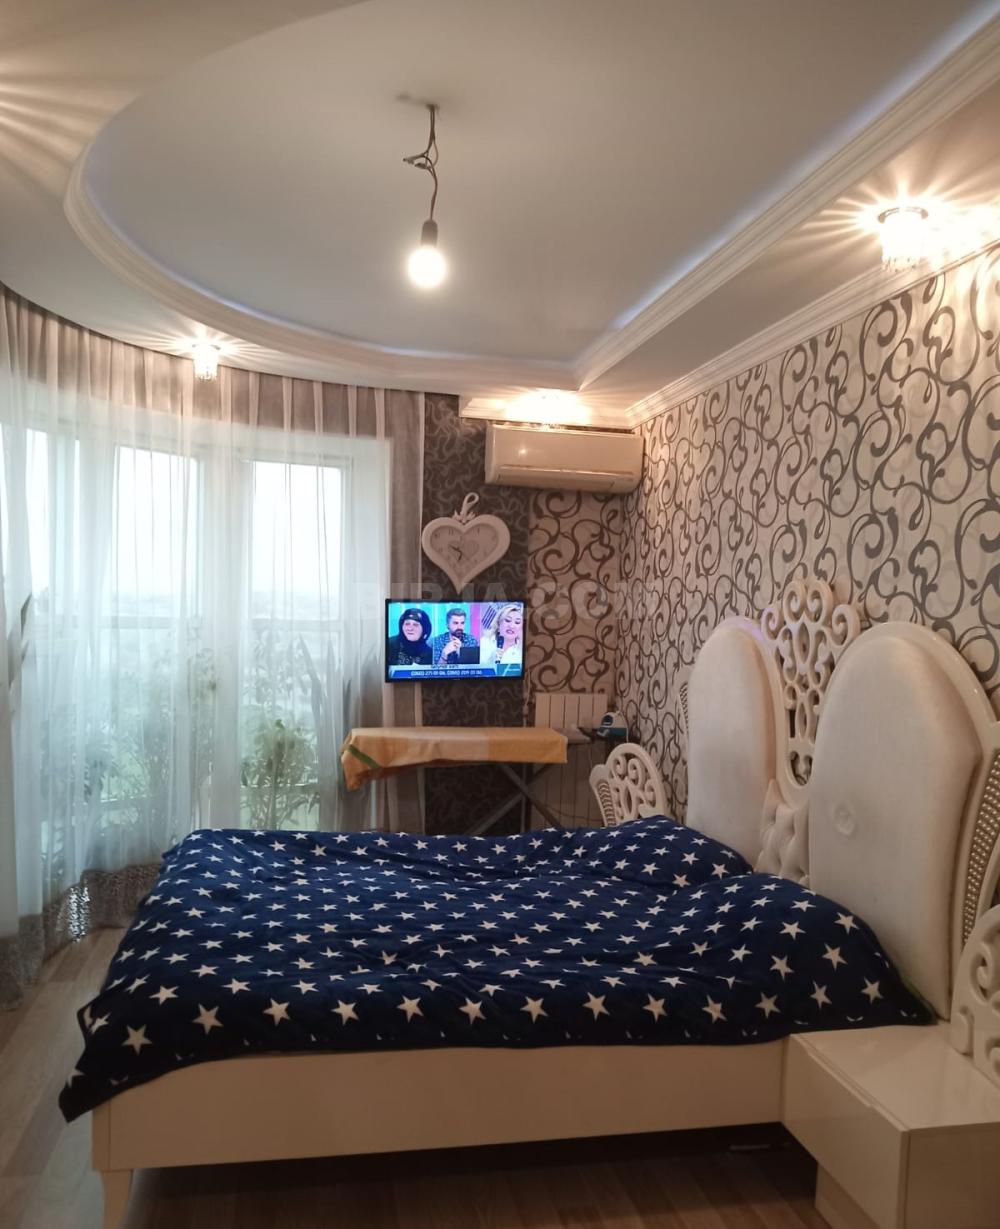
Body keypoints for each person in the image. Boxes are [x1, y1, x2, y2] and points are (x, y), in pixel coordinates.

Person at [480, 602, 523, 674]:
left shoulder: (522, 650)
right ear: (498, 623)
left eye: (517, 622)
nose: (512, 626)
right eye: (508, 620)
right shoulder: (484, 642)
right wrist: (491, 660)